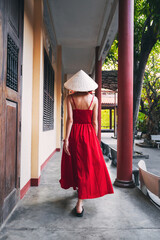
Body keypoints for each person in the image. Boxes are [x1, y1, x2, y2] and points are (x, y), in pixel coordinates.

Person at [59, 70, 114, 217]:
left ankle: (80, 200)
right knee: (87, 165)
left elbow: (70, 120)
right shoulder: (94, 100)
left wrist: (66, 139)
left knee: (77, 164)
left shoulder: (69, 98)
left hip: (75, 133)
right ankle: (80, 202)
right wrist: (95, 139)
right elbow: (95, 122)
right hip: (89, 134)